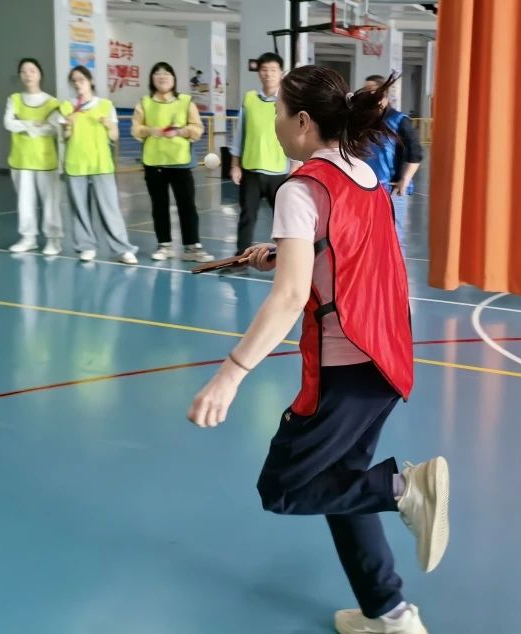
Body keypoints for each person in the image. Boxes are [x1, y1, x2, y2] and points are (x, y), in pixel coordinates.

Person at [188, 66, 449, 634]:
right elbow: (349, 253)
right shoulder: (362, 170)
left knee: (285, 487)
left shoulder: (300, 188)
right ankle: (389, 613)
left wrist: (230, 374)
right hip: (385, 358)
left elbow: (288, 301)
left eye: (279, 113)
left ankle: (404, 489)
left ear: (303, 121)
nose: (275, 124)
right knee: (340, 483)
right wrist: (287, 251)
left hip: (346, 369)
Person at [130, 61, 214, 263]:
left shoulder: (185, 101)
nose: (162, 77)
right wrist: (150, 130)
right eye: (157, 73)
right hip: (154, 163)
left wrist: (180, 131)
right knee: (159, 206)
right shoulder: (144, 102)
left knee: (187, 205)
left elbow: (197, 128)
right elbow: (136, 129)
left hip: (180, 162)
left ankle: (192, 247)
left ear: (174, 79)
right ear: (152, 79)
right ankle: (164, 245)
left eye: (166, 73)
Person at [60, 65, 138, 264]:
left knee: (110, 208)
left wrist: (110, 125)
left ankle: (122, 249)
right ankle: (86, 247)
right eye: (74, 81)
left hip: (101, 164)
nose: (78, 84)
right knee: (79, 209)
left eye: (81, 80)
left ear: (90, 81)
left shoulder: (105, 105)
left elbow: (114, 136)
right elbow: (65, 137)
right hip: (76, 164)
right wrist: (68, 125)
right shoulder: (67, 107)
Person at [230, 51, 297, 255]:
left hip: (279, 172)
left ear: (281, 73)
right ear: (259, 72)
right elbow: (240, 134)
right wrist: (235, 164)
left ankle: (290, 259)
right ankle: (240, 260)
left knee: (285, 221)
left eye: (273, 70)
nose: (268, 74)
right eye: (264, 69)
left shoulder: (289, 102)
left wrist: (295, 165)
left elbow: (295, 134)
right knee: (247, 217)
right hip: (251, 170)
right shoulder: (249, 99)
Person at [4, 58, 63, 255]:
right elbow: (8, 123)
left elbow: (53, 128)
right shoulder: (14, 99)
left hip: (45, 159)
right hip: (21, 158)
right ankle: (28, 238)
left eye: (32, 70)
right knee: (24, 201)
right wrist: (32, 125)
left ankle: (54, 239)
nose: (28, 74)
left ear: (40, 74)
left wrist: (23, 124)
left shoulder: (51, 102)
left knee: (50, 201)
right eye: (23, 71)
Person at [362, 74, 423, 243]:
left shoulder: (399, 120)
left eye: (371, 90)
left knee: (393, 236)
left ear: (384, 93)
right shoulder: (365, 120)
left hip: (391, 188)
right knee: (368, 236)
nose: (367, 94)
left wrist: (405, 179)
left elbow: (416, 151)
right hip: (366, 187)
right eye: (365, 90)